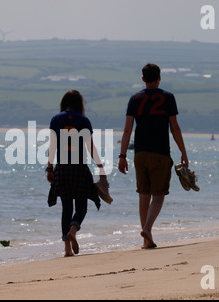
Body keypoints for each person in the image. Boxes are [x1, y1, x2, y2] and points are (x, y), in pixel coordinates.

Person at [118, 63, 189, 249]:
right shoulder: (168, 98)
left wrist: (122, 155)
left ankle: (145, 239)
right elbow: (175, 127)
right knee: (158, 195)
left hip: (140, 153)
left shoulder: (135, 99)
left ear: (143, 79)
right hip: (160, 153)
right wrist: (183, 151)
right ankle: (148, 229)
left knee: (143, 195)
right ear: (159, 78)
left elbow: (127, 130)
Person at [46, 90, 108, 257]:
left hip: (62, 168)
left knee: (66, 207)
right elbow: (90, 147)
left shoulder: (56, 119)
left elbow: (53, 146)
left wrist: (49, 168)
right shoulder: (83, 120)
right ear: (80, 104)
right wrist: (101, 169)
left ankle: (67, 250)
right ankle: (73, 229)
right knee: (81, 205)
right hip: (79, 168)